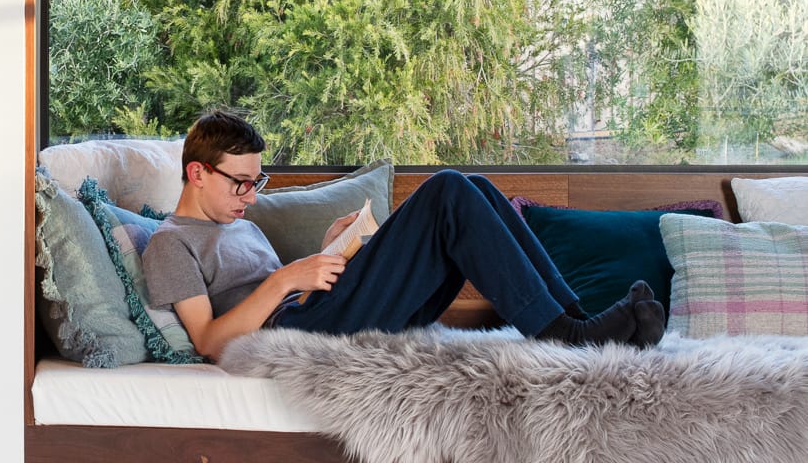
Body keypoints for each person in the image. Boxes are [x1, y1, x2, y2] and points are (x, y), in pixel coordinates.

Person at [142, 107, 666, 363]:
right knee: (447, 191)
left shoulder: (239, 224)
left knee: (476, 187)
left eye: (256, 182)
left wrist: (327, 248)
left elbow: (288, 289)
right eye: (240, 183)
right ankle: (564, 335)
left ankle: (574, 318)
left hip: (315, 311)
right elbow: (210, 342)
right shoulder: (171, 243)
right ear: (197, 173)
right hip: (301, 336)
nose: (250, 196)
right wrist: (284, 281)